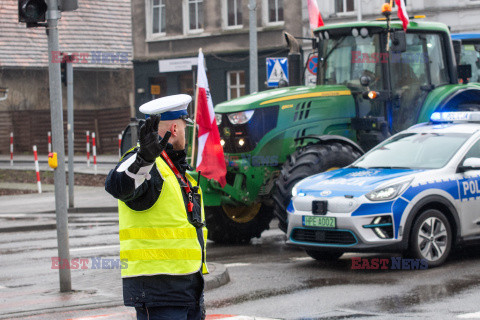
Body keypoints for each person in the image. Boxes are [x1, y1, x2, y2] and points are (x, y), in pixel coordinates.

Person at [105, 94, 208, 320]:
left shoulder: (174, 168)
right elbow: (117, 185)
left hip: (187, 288)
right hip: (160, 293)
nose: (186, 133)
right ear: (175, 128)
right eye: (184, 125)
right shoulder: (147, 165)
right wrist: (143, 159)